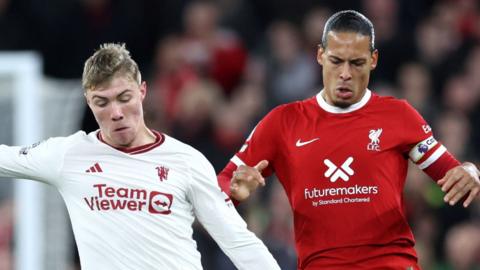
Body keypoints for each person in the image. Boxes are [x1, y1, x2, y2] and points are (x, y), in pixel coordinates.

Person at [217, 10, 480, 270]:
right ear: (320, 55)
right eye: (336, 61)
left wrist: (471, 171)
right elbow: (219, 187)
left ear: (373, 59)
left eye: (356, 63)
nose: (345, 73)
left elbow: (454, 176)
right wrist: (233, 192)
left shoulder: (398, 116)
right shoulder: (282, 122)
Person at [0, 43, 280, 270]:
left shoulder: (185, 160)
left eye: (124, 98)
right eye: (102, 102)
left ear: (142, 91)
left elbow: (238, 240)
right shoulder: (69, 155)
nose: (116, 112)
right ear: (88, 102)